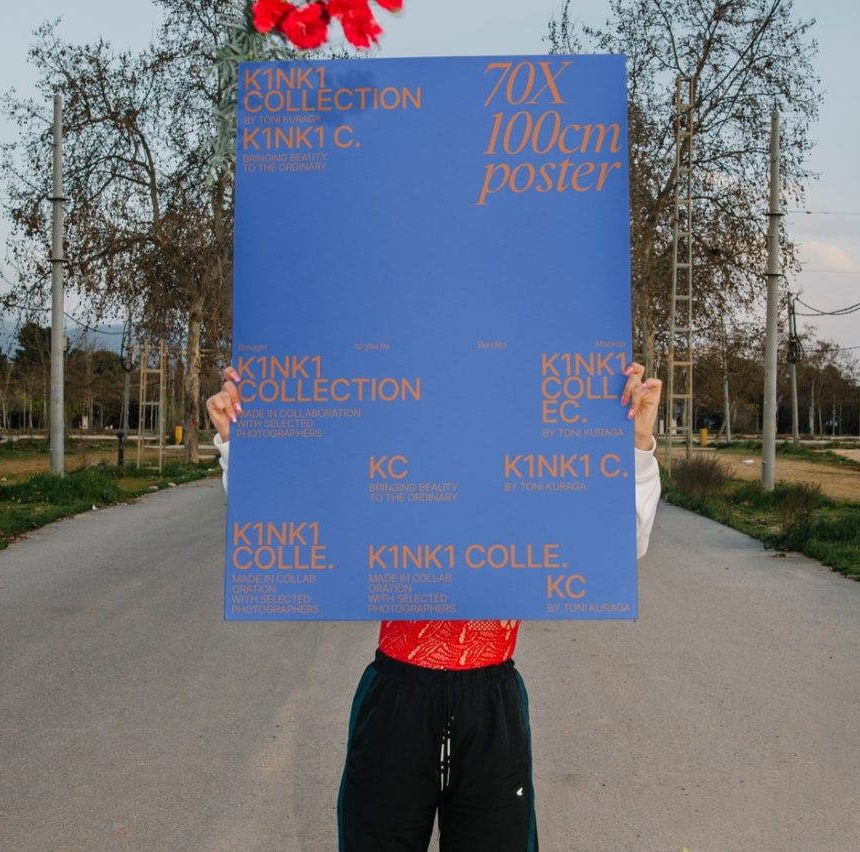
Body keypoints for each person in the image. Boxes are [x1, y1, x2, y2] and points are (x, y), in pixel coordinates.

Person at [208, 363, 662, 852]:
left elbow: (617, 546)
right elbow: (292, 519)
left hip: (492, 706)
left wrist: (635, 445)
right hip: (397, 697)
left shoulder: (525, 465)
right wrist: (238, 444)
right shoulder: (391, 462)